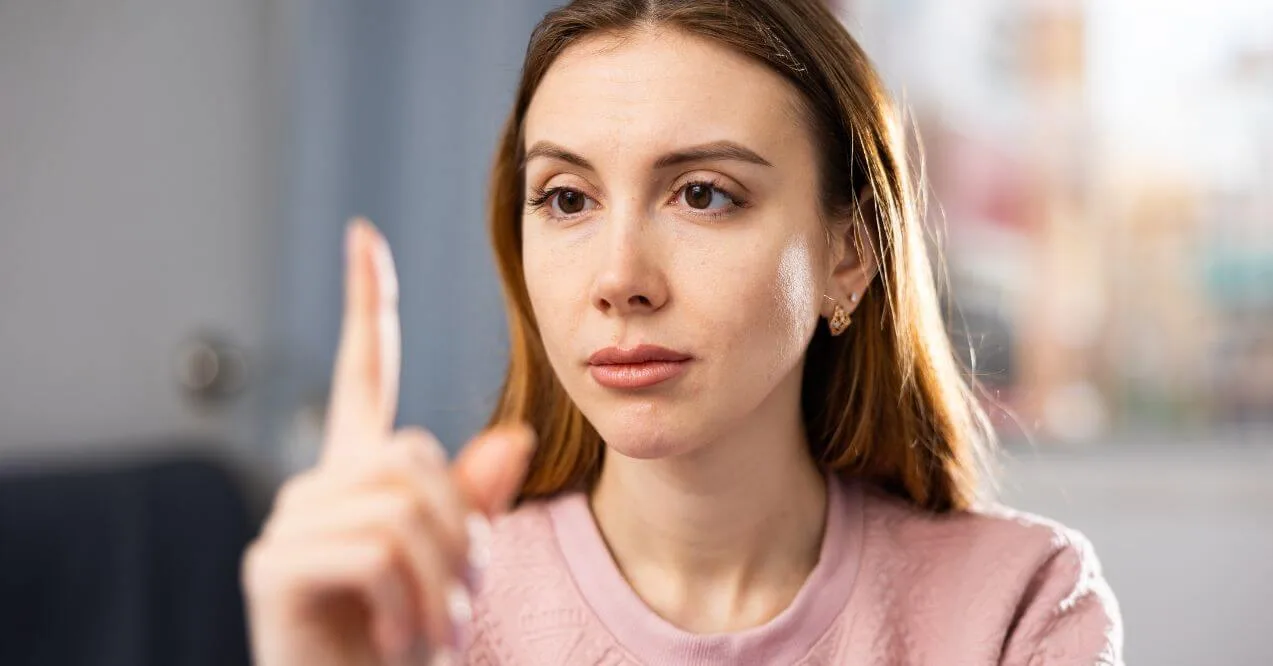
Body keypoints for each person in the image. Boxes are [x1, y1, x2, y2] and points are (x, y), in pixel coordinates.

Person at [241, 1, 1123, 664]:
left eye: (703, 193)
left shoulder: (1016, 607)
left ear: (847, 253)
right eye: (567, 199)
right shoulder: (424, 617)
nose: (619, 279)